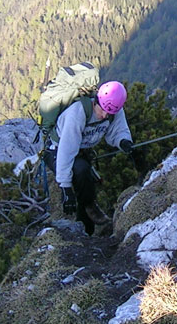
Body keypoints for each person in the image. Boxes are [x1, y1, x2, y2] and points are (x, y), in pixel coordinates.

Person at [47, 80, 134, 234]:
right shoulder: (78, 113)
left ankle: (87, 227)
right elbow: (67, 150)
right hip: (56, 150)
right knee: (81, 171)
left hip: (81, 151)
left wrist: (124, 142)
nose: (105, 116)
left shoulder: (114, 109)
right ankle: (86, 222)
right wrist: (65, 187)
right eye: (103, 110)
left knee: (83, 172)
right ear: (96, 101)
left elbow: (118, 131)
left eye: (110, 113)